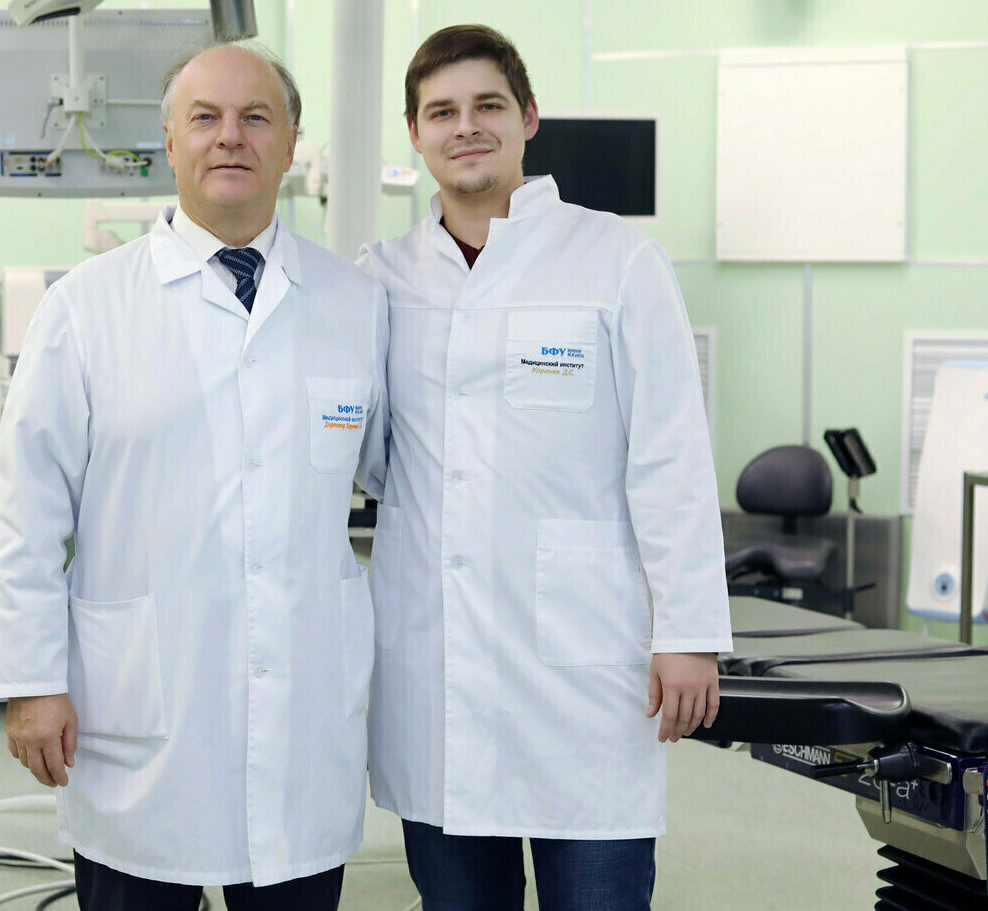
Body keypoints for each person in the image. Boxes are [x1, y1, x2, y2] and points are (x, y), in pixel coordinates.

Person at [0, 42, 389, 911]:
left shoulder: (354, 302)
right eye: (205, 117)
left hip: (301, 707)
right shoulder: (86, 306)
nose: (229, 136)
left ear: (290, 144)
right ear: (170, 142)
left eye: (255, 117)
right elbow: (26, 513)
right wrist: (31, 681)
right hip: (138, 709)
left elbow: (401, 472)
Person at [356, 24, 733, 911]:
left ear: (528, 117)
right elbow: (365, 451)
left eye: (487, 105)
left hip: (582, 666)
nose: (466, 127)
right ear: (415, 134)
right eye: (441, 112)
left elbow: (672, 455)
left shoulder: (617, 259)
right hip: (438, 667)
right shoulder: (380, 278)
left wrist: (687, 631)